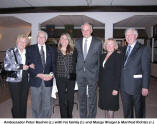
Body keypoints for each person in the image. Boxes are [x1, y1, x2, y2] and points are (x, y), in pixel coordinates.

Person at [120, 28, 150, 118]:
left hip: (137, 85)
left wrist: (145, 86)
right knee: (127, 110)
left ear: (136, 36)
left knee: (139, 110)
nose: (128, 37)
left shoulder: (143, 49)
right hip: (124, 85)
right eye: (126, 35)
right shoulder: (123, 49)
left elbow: (146, 69)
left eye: (130, 35)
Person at [26, 30, 56, 118]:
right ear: (36, 38)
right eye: (39, 36)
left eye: (43, 37)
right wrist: (39, 75)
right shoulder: (30, 49)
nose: (41, 38)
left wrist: (51, 75)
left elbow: (54, 65)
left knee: (47, 104)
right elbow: (28, 65)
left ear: (46, 39)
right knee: (35, 104)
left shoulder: (52, 50)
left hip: (48, 80)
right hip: (35, 80)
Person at [75, 22, 102, 118]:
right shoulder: (77, 42)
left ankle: (91, 117)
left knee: (92, 98)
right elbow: (75, 58)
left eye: (87, 30)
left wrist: (98, 75)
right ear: (81, 31)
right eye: (83, 30)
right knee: (81, 97)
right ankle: (83, 117)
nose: (85, 32)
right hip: (80, 74)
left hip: (92, 74)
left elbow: (99, 60)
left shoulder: (98, 42)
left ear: (91, 30)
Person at [4, 34, 31, 118]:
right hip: (14, 81)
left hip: (25, 79)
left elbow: (29, 64)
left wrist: (31, 65)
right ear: (17, 41)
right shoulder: (10, 51)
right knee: (16, 102)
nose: (23, 44)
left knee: (23, 102)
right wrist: (20, 66)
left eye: (24, 42)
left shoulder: (28, 52)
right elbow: (6, 66)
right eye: (21, 41)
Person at [98, 38, 121, 118]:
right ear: (105, 45)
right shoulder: (102, 56)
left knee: (111, 106)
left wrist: (116, 88)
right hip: (103, 85)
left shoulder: (117, 56)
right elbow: (100, 71)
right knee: (105, 105)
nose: (109, 46)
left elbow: (118, 73)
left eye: (111, 44)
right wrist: (99, 84)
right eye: (107, 44)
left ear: (115, 46)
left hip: (112, 86)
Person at [56, 33, 77, 118]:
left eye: (66, 38)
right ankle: (63, 117)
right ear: (60, 40)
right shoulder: (56, 51)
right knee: (62, 98)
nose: (64, 40)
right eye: (62, 38)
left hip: (71, 76)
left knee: (70, 98)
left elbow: (77, 63)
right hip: (60, 76)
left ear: (69, 40)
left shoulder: (74, 50)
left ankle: (69, 115)